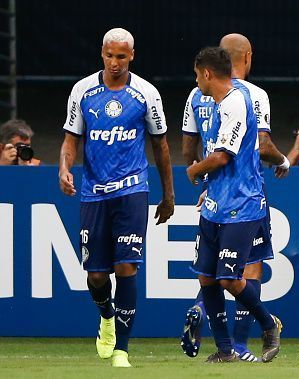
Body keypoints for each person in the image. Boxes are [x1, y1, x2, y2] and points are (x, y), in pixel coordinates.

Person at [58, 28, 175, 368]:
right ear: (102, 54)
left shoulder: (146, 94)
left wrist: (168, 194)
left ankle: (122, 349)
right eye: (110, 56)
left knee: (126, 268)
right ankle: (106, 316)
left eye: (121, 57)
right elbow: (70, 139)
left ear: (132, 56)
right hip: (93, 192)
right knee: (96, 276)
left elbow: (161, 145)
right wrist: (64, 169)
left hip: (132, 190)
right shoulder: (82, 91)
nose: (115, 63)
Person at [180, 33, 288, 362]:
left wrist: (194, 171)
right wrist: (205, 179)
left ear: (208, 73)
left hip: (242, 204)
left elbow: (222, 155)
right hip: (215, 204)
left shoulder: (238, 101)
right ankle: (227, 349)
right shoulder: (211, 99)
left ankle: (267, 325)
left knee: (229, 277)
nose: (195, 80)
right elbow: (261, 147)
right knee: (207, 277)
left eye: (197, 74)